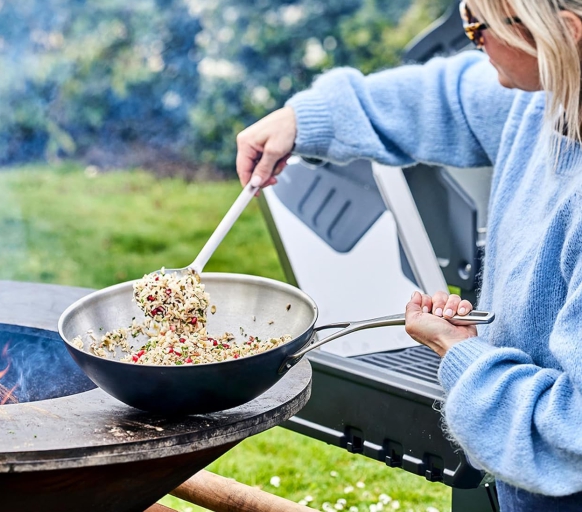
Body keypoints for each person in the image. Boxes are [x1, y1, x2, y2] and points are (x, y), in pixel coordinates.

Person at [236, 1, 582, 510]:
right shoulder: (546, 98)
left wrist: (462, 355)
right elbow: (448, 97)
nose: (470, 38)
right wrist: (304, 119)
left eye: (480, 24)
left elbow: (569, 436)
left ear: (566, 33)